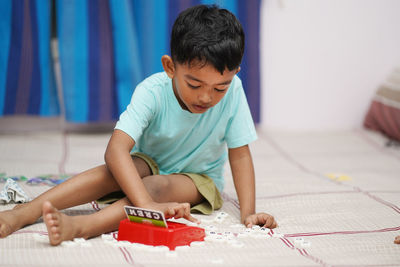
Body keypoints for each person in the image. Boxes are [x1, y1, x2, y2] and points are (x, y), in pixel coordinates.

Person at [0, 5, 277, 246]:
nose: (206, 97)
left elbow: (240, 154)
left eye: (220, 88)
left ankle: (83, 227)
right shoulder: (152, 91)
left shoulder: (236, 90)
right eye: (194, 84)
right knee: (114, 172)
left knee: (155, 185)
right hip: (150, 162)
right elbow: (116, 151)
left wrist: (248, 212)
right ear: (170, 67)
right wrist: (145, 204)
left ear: (234, 75)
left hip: (198, 179)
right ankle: (24, 212)